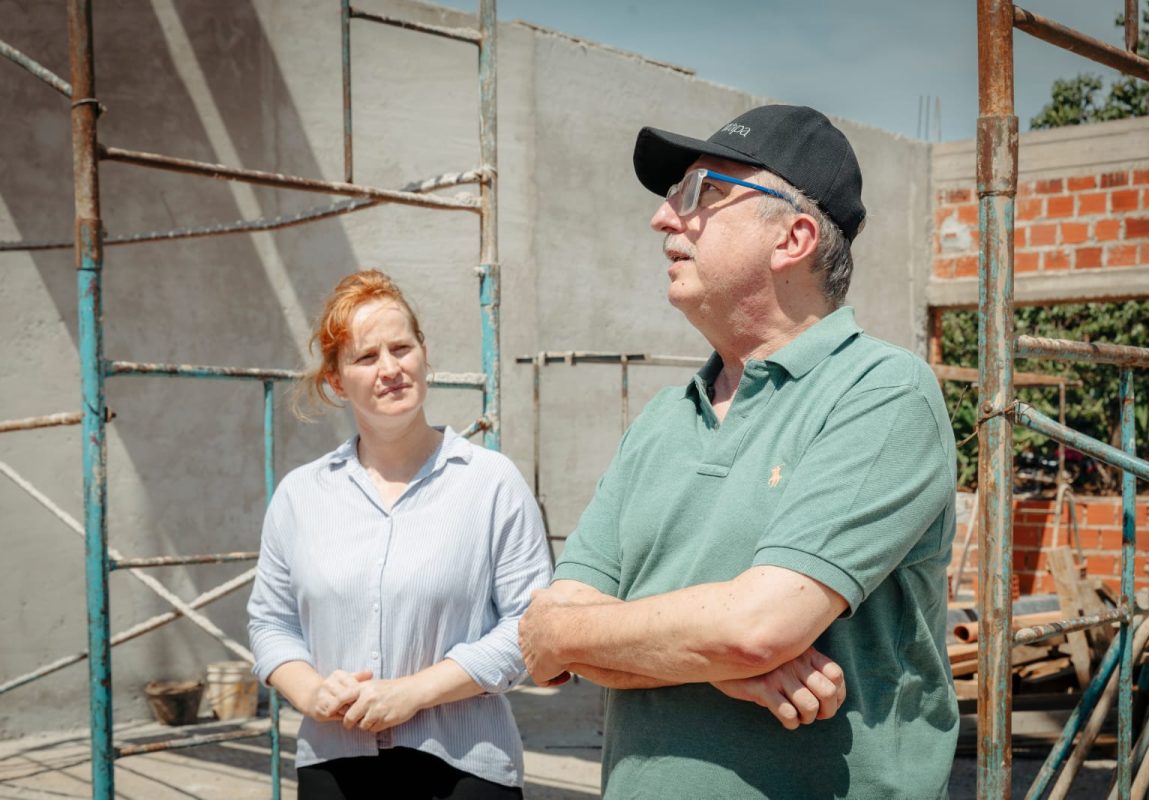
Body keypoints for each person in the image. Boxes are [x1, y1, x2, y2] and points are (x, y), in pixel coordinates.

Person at [519, 105, 959, 799]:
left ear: (794, 238)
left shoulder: (880, 392)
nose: (663, 218)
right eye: (674, 194)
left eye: (704, 192)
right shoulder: (663, 419)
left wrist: (717, 645)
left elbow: (757, 628)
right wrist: (713, 659)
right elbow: (544, 640)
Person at [248, 270, 552, 800]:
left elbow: (529, 626)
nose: (390, 369)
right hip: (335, 764)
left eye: (401, 348)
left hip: (463, 767)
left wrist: (413, 693)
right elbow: (271, 623)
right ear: (337, 381)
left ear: (424, 354)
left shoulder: (490, 482)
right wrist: (312, 691)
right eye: (367, 357)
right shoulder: (301, 494)